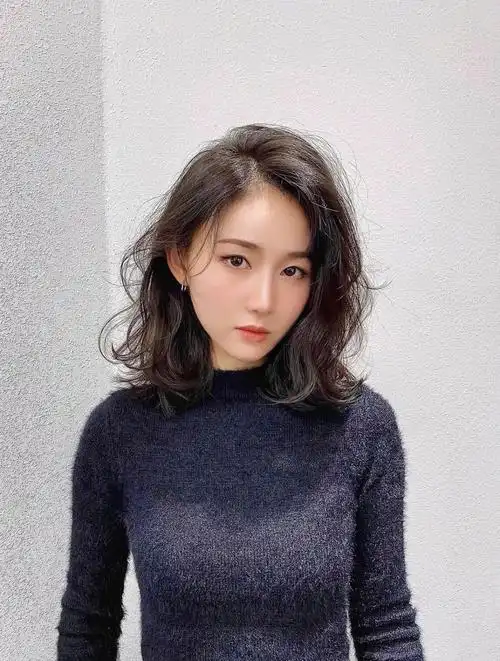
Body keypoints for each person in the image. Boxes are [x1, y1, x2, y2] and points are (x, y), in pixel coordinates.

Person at [56, 123, 426, 660]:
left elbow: (386, 627)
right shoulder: (119, 432)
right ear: (180, 258)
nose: (264, 299)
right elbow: (88, 627)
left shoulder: (361, 427)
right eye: (237, 260)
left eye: (293, 270)